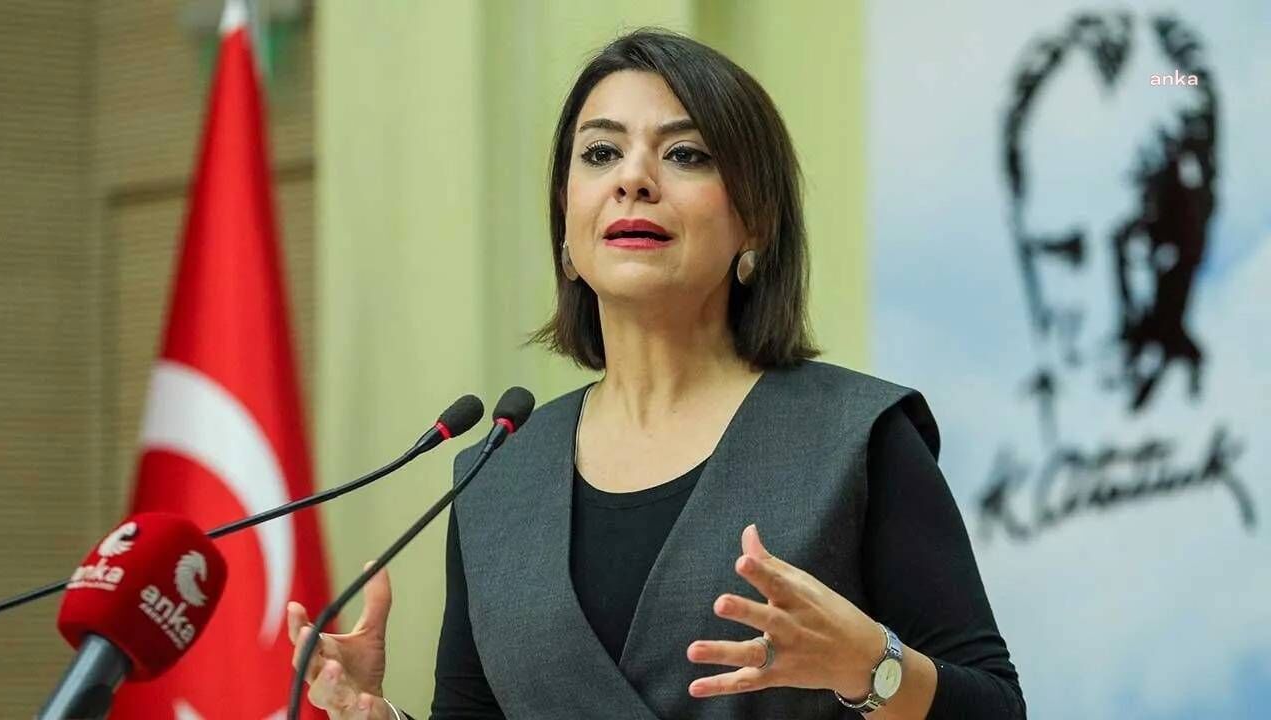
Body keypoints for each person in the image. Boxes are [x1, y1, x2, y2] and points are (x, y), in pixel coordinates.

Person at [287, 28, 1026, 720]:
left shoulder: (854, 438)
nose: (634, 179)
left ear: (755, 221)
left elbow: (997, 706)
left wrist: (871, 666)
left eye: (686, 155)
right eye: (600, 153)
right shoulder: (497, 476)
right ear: (566, 222)